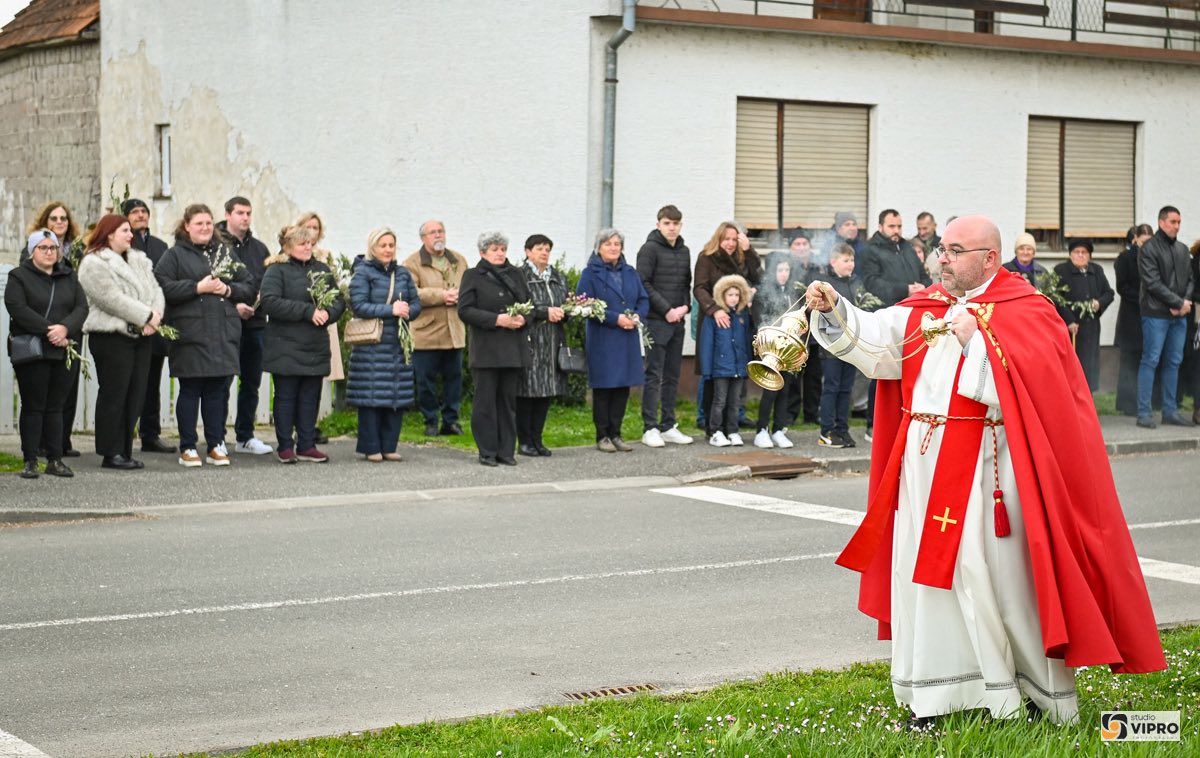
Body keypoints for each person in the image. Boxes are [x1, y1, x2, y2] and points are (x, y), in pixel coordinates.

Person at [804, 215, 1165, 727]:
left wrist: (978, 339)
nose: (941, 259)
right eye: (941, 250)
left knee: (994, 581)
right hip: (924, 465)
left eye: (954, 250)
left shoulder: (1028, 310)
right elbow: (882, 343)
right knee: (925, 580)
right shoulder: (929, 305)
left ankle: (1020, 695)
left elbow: (1040, 392)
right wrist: (836, 308)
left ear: (988, 259)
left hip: (987, 468)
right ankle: (931, 697)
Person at [155, 204, 255, 467]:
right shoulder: (174, 255)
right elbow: (162, 287)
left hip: (222, 333)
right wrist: (197, 287)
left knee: (215, 391)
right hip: (190, 333)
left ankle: (215, 444)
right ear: (186, 226)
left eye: (209, 223)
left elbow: (249, 285)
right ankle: (187, 446)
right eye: (199, 223)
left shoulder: (225, 254)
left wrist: (228, 290)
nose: (205, 228)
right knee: (190, 389)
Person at [77, 213, 165, 470]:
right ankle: (110, 451)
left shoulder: (139, 259)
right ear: (109, 234)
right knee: (115, 394)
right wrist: (146, 316)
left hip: (141, 335)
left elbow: (156, 289)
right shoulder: (94, 263)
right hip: (111, 337)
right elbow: (111, 299)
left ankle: (125, 450)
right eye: (125, 230)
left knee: (135, 393)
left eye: (130, 231)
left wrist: (155, 317)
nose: (131, 235)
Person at [259, 225, 346, 463]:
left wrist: (329, 313)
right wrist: (308, 311)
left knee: (310, 396)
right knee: (286, 396)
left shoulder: (321, 269)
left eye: (310, 243)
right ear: (288, 247)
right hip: (285, 345)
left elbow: (338, 300)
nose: (308, 247)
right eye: (302, 244)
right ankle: (286, 445)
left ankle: (307, 444)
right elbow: (270, 301)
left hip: (314, 344)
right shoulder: (277, 270)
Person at [5, 230, 88, 478]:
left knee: (56, 407)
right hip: (34, 350)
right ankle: (30, 460)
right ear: (32, 251)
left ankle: (55, 459)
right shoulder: (19, 276)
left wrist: (66, 329)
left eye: (53, 248)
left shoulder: (69, 276)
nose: (49, 252)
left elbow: (81, 307)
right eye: (43, 248)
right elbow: (17, 307)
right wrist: (50, 330)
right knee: (33, 405)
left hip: (63, 349)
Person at [346, 227, 421, 462]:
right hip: (372, 343)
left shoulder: (403, 274)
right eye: (383, 245)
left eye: (391, 245)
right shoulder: (362, 273)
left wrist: (408, 311)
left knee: (395, 396)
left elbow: (416, 302)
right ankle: (371, 447)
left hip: (397, 344)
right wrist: (391, 310)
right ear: (373, 248)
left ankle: (389, 445)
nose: (388, 250)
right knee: (371, 397)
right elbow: (358, 305)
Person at [457, 231, 531, 466]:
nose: (500, 253)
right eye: (494, 249)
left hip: (512, 349)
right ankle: (487, 451)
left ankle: (506, 451)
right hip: (487, 349)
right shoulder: (472, 276)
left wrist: (522, 318)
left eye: (502, 249)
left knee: (508, 402)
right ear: (482, 253)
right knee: (485, 402)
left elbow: (529, 305)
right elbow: (465, 310)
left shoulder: (516, 274)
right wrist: (498, 320)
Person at [859, 209, 931, 441]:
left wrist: (925, 288)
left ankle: (906, 419)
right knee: (883, 371)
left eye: (899, 226)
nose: (897, 231)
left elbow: (923, 274)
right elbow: (871, 282)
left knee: (910, 371)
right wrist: (905, 290)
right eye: (892, 227)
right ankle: (874, 424)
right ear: (880, 227)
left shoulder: (908, 248)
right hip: (888, 317)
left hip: (915, 315)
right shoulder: (871, 251)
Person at [576, 228, 649, 453]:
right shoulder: (590, 273)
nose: (613, 248)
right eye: (608, 244)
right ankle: (603, 435)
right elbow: (584, 303)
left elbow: (643, 299)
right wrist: (615, 318)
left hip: (627, 337)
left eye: (617, 244)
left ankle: (616, 433)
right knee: (604, 388)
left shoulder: (630, 272)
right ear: (599, 248)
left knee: (622, 387)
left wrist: (637, 316)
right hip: (604, 338)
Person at [23, 201, 83, 457]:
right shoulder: (32, 249)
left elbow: (81, 294)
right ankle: (38, 445)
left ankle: (61, 441)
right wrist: (51, 328)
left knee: (67, 390)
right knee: (39, 393)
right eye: (54, 218)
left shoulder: (77, 252)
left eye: (63, 218)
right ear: (45, 223)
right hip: (42, 331)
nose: (60, 222)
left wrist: (68, 327)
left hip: (70, 328)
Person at [216, 196, 273, 456]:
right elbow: (211, 281)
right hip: (226, 322)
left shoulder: (260, 249)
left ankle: (245, 436)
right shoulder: (215, 245)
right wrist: (234, 306)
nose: (245, 217)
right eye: (240, 212)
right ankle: (217, 438)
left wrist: (258, 305)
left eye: (249, 212)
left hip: (256, 323)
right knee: (223, 381)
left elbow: (267, 283)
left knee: (251, 382)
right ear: (228, 215)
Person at [635, 204, 694, 448]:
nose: (672, 228)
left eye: (676, 223)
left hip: (677, 322)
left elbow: (685, 285)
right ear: (659, 224)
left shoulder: (684, 250)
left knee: (672, 375)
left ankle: (668, 425)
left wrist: (684, 307)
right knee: (653, 375)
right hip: (656, 321)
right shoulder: (649, 249)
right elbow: (643, 284)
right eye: (667, 223)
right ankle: (650, 427)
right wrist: (666, 310)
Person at [693, 221, 761, 430]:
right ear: (719, 239)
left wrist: (749, 251)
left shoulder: (741, 258)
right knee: (711, 371)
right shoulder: (707, 257)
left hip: (737, 322)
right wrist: (715, 309)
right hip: (715, 320)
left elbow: (757, 277)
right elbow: (699, 287)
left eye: (734, 239)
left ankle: (735, 416)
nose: (730, 244)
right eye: (727, 239)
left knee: (736, 369)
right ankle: (705, 418)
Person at [403, 220, 468, 437]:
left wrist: (462, 295)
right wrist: (441, 295)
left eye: (441, 231)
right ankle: (430, 419)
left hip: (454, 329)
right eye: (433, 232)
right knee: (425, 380)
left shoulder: (458, 259)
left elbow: (468, 286)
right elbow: (411, 292)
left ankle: (451, 421)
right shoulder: (412, 263)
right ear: (423, 238)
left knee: (454, 378)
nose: (438, 235)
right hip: (426, 331)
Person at [124, 198, 176, 454]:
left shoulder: (159, 246)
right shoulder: (122, 242)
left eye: (144, 211)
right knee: (128, 383)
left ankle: (150, 434)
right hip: (129, 320)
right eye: (135, 212)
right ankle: (123, 436)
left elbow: (163, 280)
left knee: (152, 382)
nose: (141, 215)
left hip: (154, 322)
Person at [1137, 205, 1195, 428]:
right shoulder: (1148, 249)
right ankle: (1144, 413)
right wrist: (1177, 303)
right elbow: (1152, 282)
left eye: (1179, 222)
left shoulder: (1182, 249)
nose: (1177, 226)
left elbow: (1190, 279)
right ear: (1161, 222)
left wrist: (1184, 303)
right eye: (1173, 222)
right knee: (1151, 360)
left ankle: (1170, 411)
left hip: (1178, 316)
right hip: (1156, 314)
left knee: (1174, 362)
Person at [516, 234, 568, 457]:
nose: (544, 252)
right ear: (528, 252)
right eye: (539, 248)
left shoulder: (557, 276)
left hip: (553, 340)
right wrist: (544, 312)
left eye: (547, 248)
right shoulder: (520, 275)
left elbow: (565, 301)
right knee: (527, 391)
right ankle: (524, 441)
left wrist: (568, 312)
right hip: (530, 339)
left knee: (546, 391)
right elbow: (518, 305)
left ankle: (538, 439)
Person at [296, 211, 345, 445]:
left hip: (324, 319)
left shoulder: (325, 256)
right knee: (297, 378)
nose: (312, 232)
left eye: (316, 228)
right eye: (307, 227)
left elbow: (332, 287)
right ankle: (297, 424)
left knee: (318, 375)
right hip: (301, 320)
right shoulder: (289, 255)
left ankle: (311, 423)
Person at [817, 243, 866, 449]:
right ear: (833, 261)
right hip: (831, 345)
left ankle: (842, 430)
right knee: (832, 388)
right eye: (846, 260)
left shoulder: (856, 282)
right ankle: (826, 431)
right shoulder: (825, 284)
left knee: (846, 389)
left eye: (852, 260)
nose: (850, 264)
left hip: (851, 344)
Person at [1053, 239, 1113, 392]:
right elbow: (1056, 298)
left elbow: (1109, 293)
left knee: (1089, 366)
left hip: (1091, 327)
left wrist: (1099, 303)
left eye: (1084, 252)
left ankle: (1088, 402)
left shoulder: (1096, 270)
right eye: (1076, 252)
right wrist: (1069, 321)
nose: (1080, 255)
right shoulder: (1061, 270)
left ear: (1089, 255)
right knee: (1071, 366)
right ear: (1070, 254)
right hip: (1070, 328)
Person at [699, 274, 752, 447]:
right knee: (719, 400)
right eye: (730, 295)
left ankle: (733, 430)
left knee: (735, 401)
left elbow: (746, 342)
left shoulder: (743, 316)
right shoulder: (712, 318)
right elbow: (706, 344)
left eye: (737, 295)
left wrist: (748, 365)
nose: (734, 298)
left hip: (739, 367)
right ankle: (716, 431)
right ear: (722, 296)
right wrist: (707, 370)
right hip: (720, 367)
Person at [751, 253, 795, 449]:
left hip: (787, 349)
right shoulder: (762, 293)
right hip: (771, 349)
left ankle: (778, 429)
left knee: (785, 390)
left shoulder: (791, 292)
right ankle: (762, 429)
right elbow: (760, 322)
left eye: (787, 270)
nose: (784, 274)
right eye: (780, 270)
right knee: (770, 390)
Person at [1113, 224, 1155, 416]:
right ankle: (1127, 404)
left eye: (1150, 241)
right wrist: (1143, 298)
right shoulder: (1125, 258)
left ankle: (1146, 401)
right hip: (1132, 316)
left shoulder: (1153, 257)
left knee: (1147, 358)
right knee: (1130, 359)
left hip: (1151, 314)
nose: (1147, 244)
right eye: (1144, 241)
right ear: (1135, 239)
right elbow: (1122, 287)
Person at [783, 231, 823, 428]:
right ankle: (790, 412)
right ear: (791, 248)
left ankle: (812, 412)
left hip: (816, 327)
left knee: (814, 374)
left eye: (804, 243)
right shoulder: (786, 267)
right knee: (793, 373)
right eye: (796, 244)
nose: (801, 247)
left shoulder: (818, 267)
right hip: (796, 328)